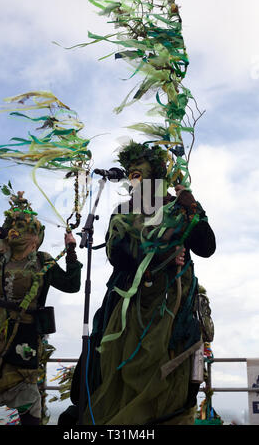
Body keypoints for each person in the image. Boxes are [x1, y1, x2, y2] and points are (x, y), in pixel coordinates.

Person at [59, 141, 216, 426]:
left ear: (157, 176)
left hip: (173, 305)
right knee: (115, 368)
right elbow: (117, 255)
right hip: (129, 308)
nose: (134, 180)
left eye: (139, 173)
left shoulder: (179, 207)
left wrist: (191, 205)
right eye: (130, 175)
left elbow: (206, 247)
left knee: (173, 375)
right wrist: (163, 253)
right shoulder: (124, 210)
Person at [0, 191, 82, 425]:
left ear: (36, 236)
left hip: (22, 335)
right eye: (13, 225)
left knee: (27, 395)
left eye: (24, 226)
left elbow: (71, 285)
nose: (17, 230)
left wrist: (72, 251)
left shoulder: (43, 260)